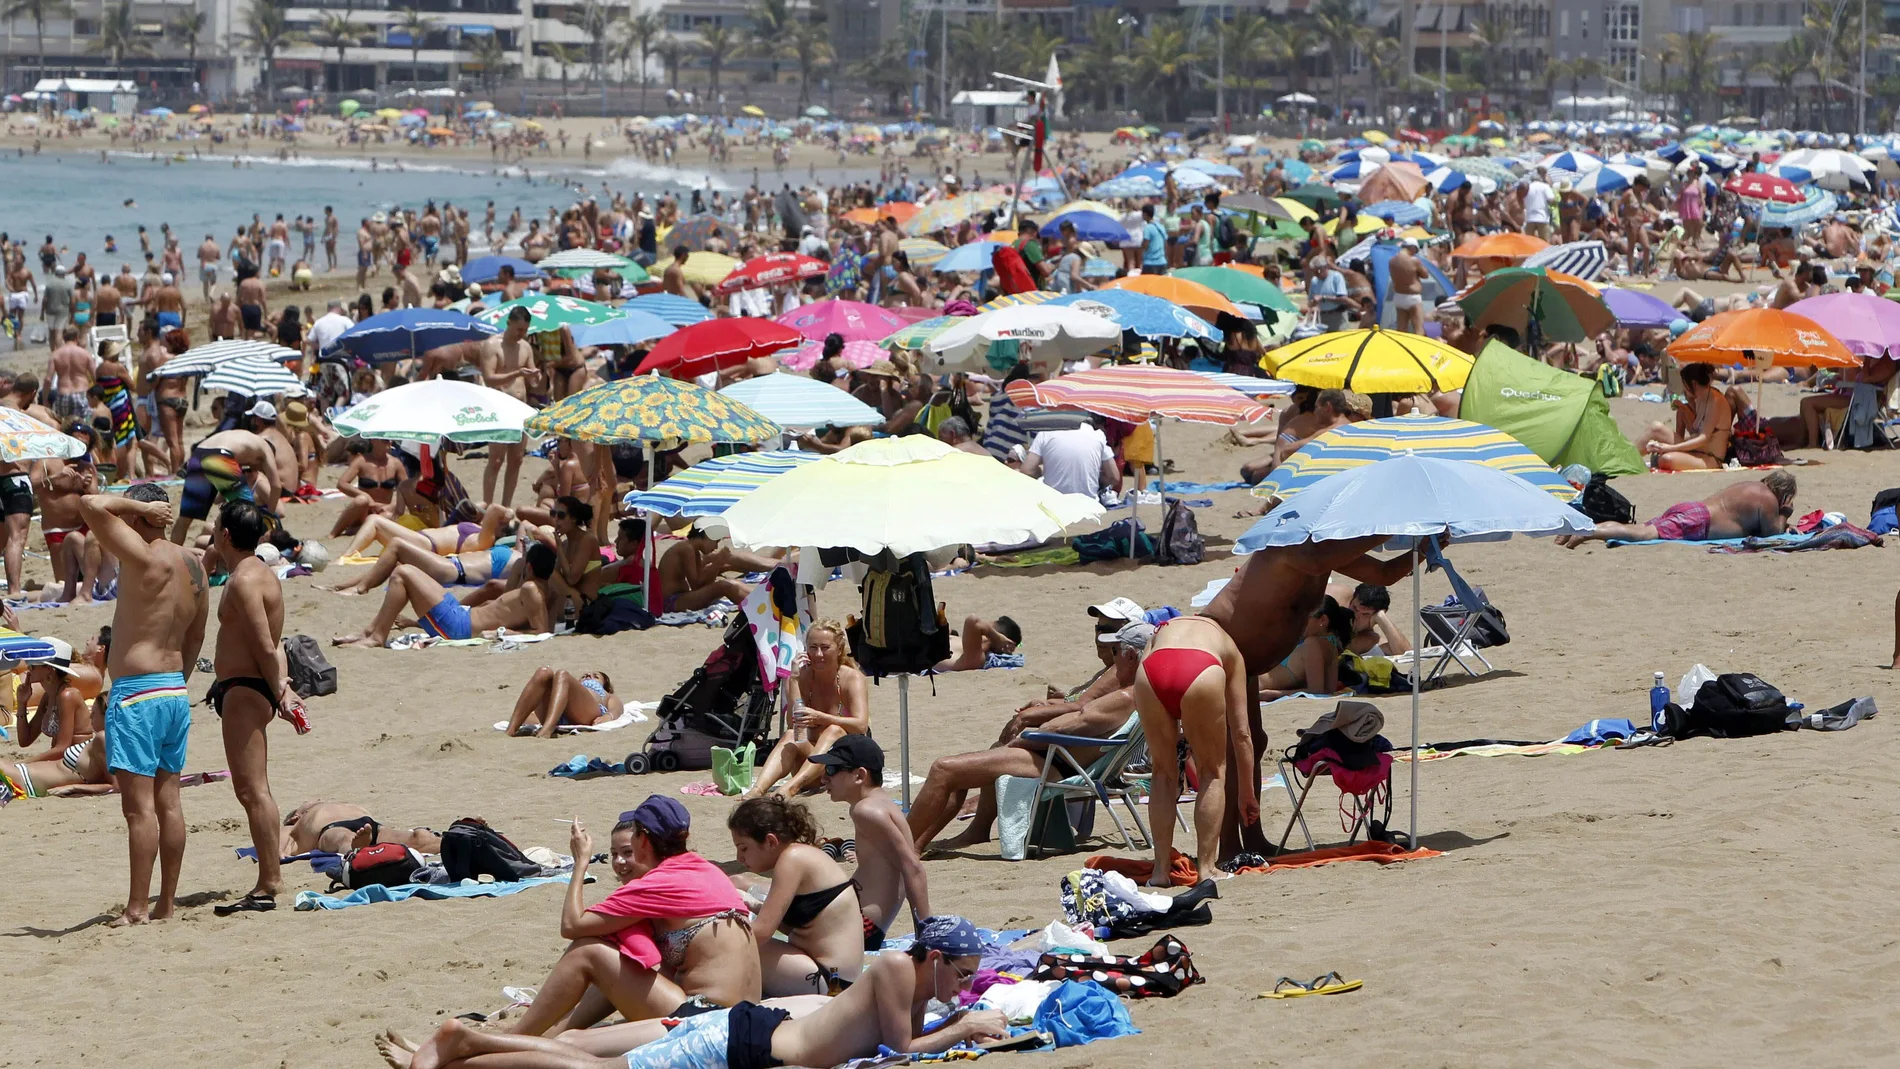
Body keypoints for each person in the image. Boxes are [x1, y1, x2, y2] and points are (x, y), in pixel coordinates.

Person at [378, 915, 1001, 1069]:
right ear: (937, 957)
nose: (967, 983)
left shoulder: (916, 981)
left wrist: (953, 1019)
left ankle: (459, 1052)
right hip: (746, 1042)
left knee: (590, 1055)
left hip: (749, 1034)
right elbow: (900, 1049)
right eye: (965, 971)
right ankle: (465, 1039)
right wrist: (963, 1029)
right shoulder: (896, 966)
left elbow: (902, 1037)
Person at [1198, 532, 1434, 859]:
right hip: (1217, 646)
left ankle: (1251, 838)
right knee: (1235, 747)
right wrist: (1386, 530)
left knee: (1257, 741)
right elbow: (1319, 561)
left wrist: (1421, 548)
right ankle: (1226, 847)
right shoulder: (1290, 545)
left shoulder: (1324, 554)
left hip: (1244, 658)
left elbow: (1382, 575)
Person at [500, 797, 762, 1039]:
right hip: (745, 1017)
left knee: (587, 952)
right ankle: (548, 1034)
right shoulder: (704, 870)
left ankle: (512, 1040)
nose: (621, 861)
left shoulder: (658, 884)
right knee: (620, 961)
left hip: (707, 1021)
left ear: (643, 841)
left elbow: (572, 925)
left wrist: (581, 862)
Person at [80, 483, 210, 925]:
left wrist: (137, 505)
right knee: (170, 802)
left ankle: (137, 908)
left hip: (138, 693)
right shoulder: (194, 564)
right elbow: (196, 636)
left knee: (140, 810)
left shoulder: (143, 556)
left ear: (140, 516)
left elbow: (92, 505)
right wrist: (178, 682)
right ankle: (166, 905)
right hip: (174, 690)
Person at [906, 629, 1140, 853]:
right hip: (1059, 759)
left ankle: (904, 847)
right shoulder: (1136, 694)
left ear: (1130, 656)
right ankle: (921, 843)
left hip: (1052, 762)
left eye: (1115, 652)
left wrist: (1028, 738)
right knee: (969, 764)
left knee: (943, 769)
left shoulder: (1122, 697)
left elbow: (1072, 726)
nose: (1112, 659)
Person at [207, 501, 307, 916]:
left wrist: (280, 690)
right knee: (252, 789)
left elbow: (265, 644)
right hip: (249, 687)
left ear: (226, 534)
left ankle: (270, 880)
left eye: (216, 527)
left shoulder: (246, 580)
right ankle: (270, 875)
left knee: (252, 790)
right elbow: (272, 644)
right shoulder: (257, 574)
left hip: (248, 690)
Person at [1130, 615, 1251, 883]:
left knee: (1162, 772)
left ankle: (1160, 871)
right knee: (1213, 772)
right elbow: (1241, 733)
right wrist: (1247, 792)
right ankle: (1206, 867)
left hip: (1152, 669)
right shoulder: (1229, 644)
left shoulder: (1165, 628)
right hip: (1201, 668)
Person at [728, 797, 866, 995]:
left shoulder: (792, 860)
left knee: (732, 944)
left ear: (770, 841)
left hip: (828, 981)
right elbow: (796, 926)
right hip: (836, 977)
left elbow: (761, 933)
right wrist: (751, 904)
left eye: (744, 848)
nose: (739, 858)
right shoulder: (801, 854)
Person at [811, 736, 931, 951]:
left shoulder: (866, 811)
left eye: (831, 769)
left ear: (859, 775)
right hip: (859, 924)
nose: (823, 779)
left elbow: (912, 868)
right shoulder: (880, 805)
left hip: (857, 928)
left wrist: (927, 938)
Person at [332, 540, 554, 647]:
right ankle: (369, 632)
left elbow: (541, 631)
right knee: (407, 573)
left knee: (403, 573)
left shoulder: (530, 589)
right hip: (462, 615)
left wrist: (503, 632)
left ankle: (377, 637)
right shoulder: (539, 590)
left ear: (530, 567)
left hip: (459, 626)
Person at [742, 621, 869, 800]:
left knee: (834, 730)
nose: (818, 654)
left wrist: (821, 717)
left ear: (839, 649)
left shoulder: (852, 678)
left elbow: (861, 726)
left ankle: (791, 788)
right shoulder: (800, 676)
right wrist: (793, 681)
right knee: (790, 735)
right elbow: (794, 724)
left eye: (825, 648)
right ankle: (757, 790)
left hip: (844, 768)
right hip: (812, 769)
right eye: (813, 647)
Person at [1556, 471, 1797, 547]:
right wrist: (1785, 512)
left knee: (1640, 528)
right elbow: (1772, 535)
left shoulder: (1751, 485)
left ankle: (1582, 528)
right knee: (1640, 533)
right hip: (1699, 522)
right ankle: (1587, 531)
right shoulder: (1768, 500)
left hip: (1693, 510)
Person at [170, 426, 282, 544]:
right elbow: (276, 486)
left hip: (198, 453)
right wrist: (270, 515)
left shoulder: (245, 441)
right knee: (247, 514)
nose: (256, 469)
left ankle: (174, 555)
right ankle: (225, 556)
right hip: (220, 455)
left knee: (185, 518)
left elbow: (221, 494)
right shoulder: (266, 448)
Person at [1633, 362, 1731, 471]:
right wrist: (1684, 407)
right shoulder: (1700, 398)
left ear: (1693, 384)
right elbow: (1694, 429)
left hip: (1710, 457)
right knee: (1655, 428)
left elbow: (1703, 438)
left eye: (1684, 384)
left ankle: (1669, 453)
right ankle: (1626, 458)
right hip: (1696, 450)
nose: (1683, 388)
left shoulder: (1715, 401)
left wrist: (1670, 448)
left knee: (1666, 459)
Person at [339, 501, 514, 560]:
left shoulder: (486, 540)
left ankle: (345, 557)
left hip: (427, 545)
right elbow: (484, 506)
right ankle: (347, 555)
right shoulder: (481, 532)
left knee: (375, 521)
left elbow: (495, 508)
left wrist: (510, 514)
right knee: (376, 525)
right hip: (423, 541)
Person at [1255, 596, 1355, 699]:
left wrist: (1275, 694)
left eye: (1306, 617)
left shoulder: (1312, 643)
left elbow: (1317, 690)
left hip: (1257, 684)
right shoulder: (1332, 646)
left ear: (1323, 620)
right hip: (1258, 683)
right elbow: (1330, 689)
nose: (1301, 622)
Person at [281, 800, 444, 855]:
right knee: (343, 839)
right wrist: (277, 851)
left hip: (370, 825)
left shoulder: (331, 804)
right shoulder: (296, 824)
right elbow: (276, 838)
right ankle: (353, 848)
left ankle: (450, 843)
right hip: (328, 828)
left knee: (417, 838)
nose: (317, 799)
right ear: (296, 816)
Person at [658, 526, 757, 614]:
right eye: (716, 542)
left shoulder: (694, 551)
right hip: (671, 602)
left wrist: (717, 564)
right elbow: (696, 585)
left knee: (730, 583)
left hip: (678, 599)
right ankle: (757, 607)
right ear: (707, 537)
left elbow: (704, 585)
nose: (716, 547)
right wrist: (717, 563)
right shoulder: (686, 548)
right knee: (724, 586)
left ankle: (760, 598)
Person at [503, 667, 622, 737]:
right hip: (559, 713)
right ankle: (511, 729)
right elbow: (532, 716)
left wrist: (608, 716)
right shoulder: (566, 686)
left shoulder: (606, 694)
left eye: (596, 677)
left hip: (587, 712)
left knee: (562, 674)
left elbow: (617, 707)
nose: (588, 676)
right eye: (585, 675)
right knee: (543, 672)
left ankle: (547, 729)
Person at [1023, 419, 1119, 502]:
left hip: (1054, 505)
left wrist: (1040, 472)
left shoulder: (1046, 433)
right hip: (1089, 506)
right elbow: (1114, 477)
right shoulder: (1098, 435)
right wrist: (1097, 478)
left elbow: (1027, 470)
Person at [331, 439, 409, 537]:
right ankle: (333, 533)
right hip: (363, 511)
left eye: (390, 440)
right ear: (373, 440)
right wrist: (366, 496)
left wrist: (391, 505)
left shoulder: (395, 463)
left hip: (383, 511)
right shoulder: (361, 461)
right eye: (385, 440)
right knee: (361, 500)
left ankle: (357, 530)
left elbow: (407, 490)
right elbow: (342, 483)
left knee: (388, 516)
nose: (389, 442)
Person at [1326, 581, 1413, 656]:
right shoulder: (1337, 597)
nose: (1356, 616)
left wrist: (1381, 617)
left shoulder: (1369, 638)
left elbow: (1406, 654)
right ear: (1352, 599)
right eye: (1355, 608)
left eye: (1365, 614)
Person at [932, 614, 1021, 672]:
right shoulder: (967, 645)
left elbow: (973, 621)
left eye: (989, 626)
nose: (986, 624)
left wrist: (996, 637)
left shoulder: (976, 658)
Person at [1388, 238, 1426, 333]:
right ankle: (1418, 348)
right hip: (1412, 297)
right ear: (1412, 247)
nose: (1415, 253)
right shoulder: (1414, 261)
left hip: (1398, 296)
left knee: (1401, 330)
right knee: (1418, 329)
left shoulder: (1392, 261)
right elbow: (1425, 275)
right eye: (1416, 250)